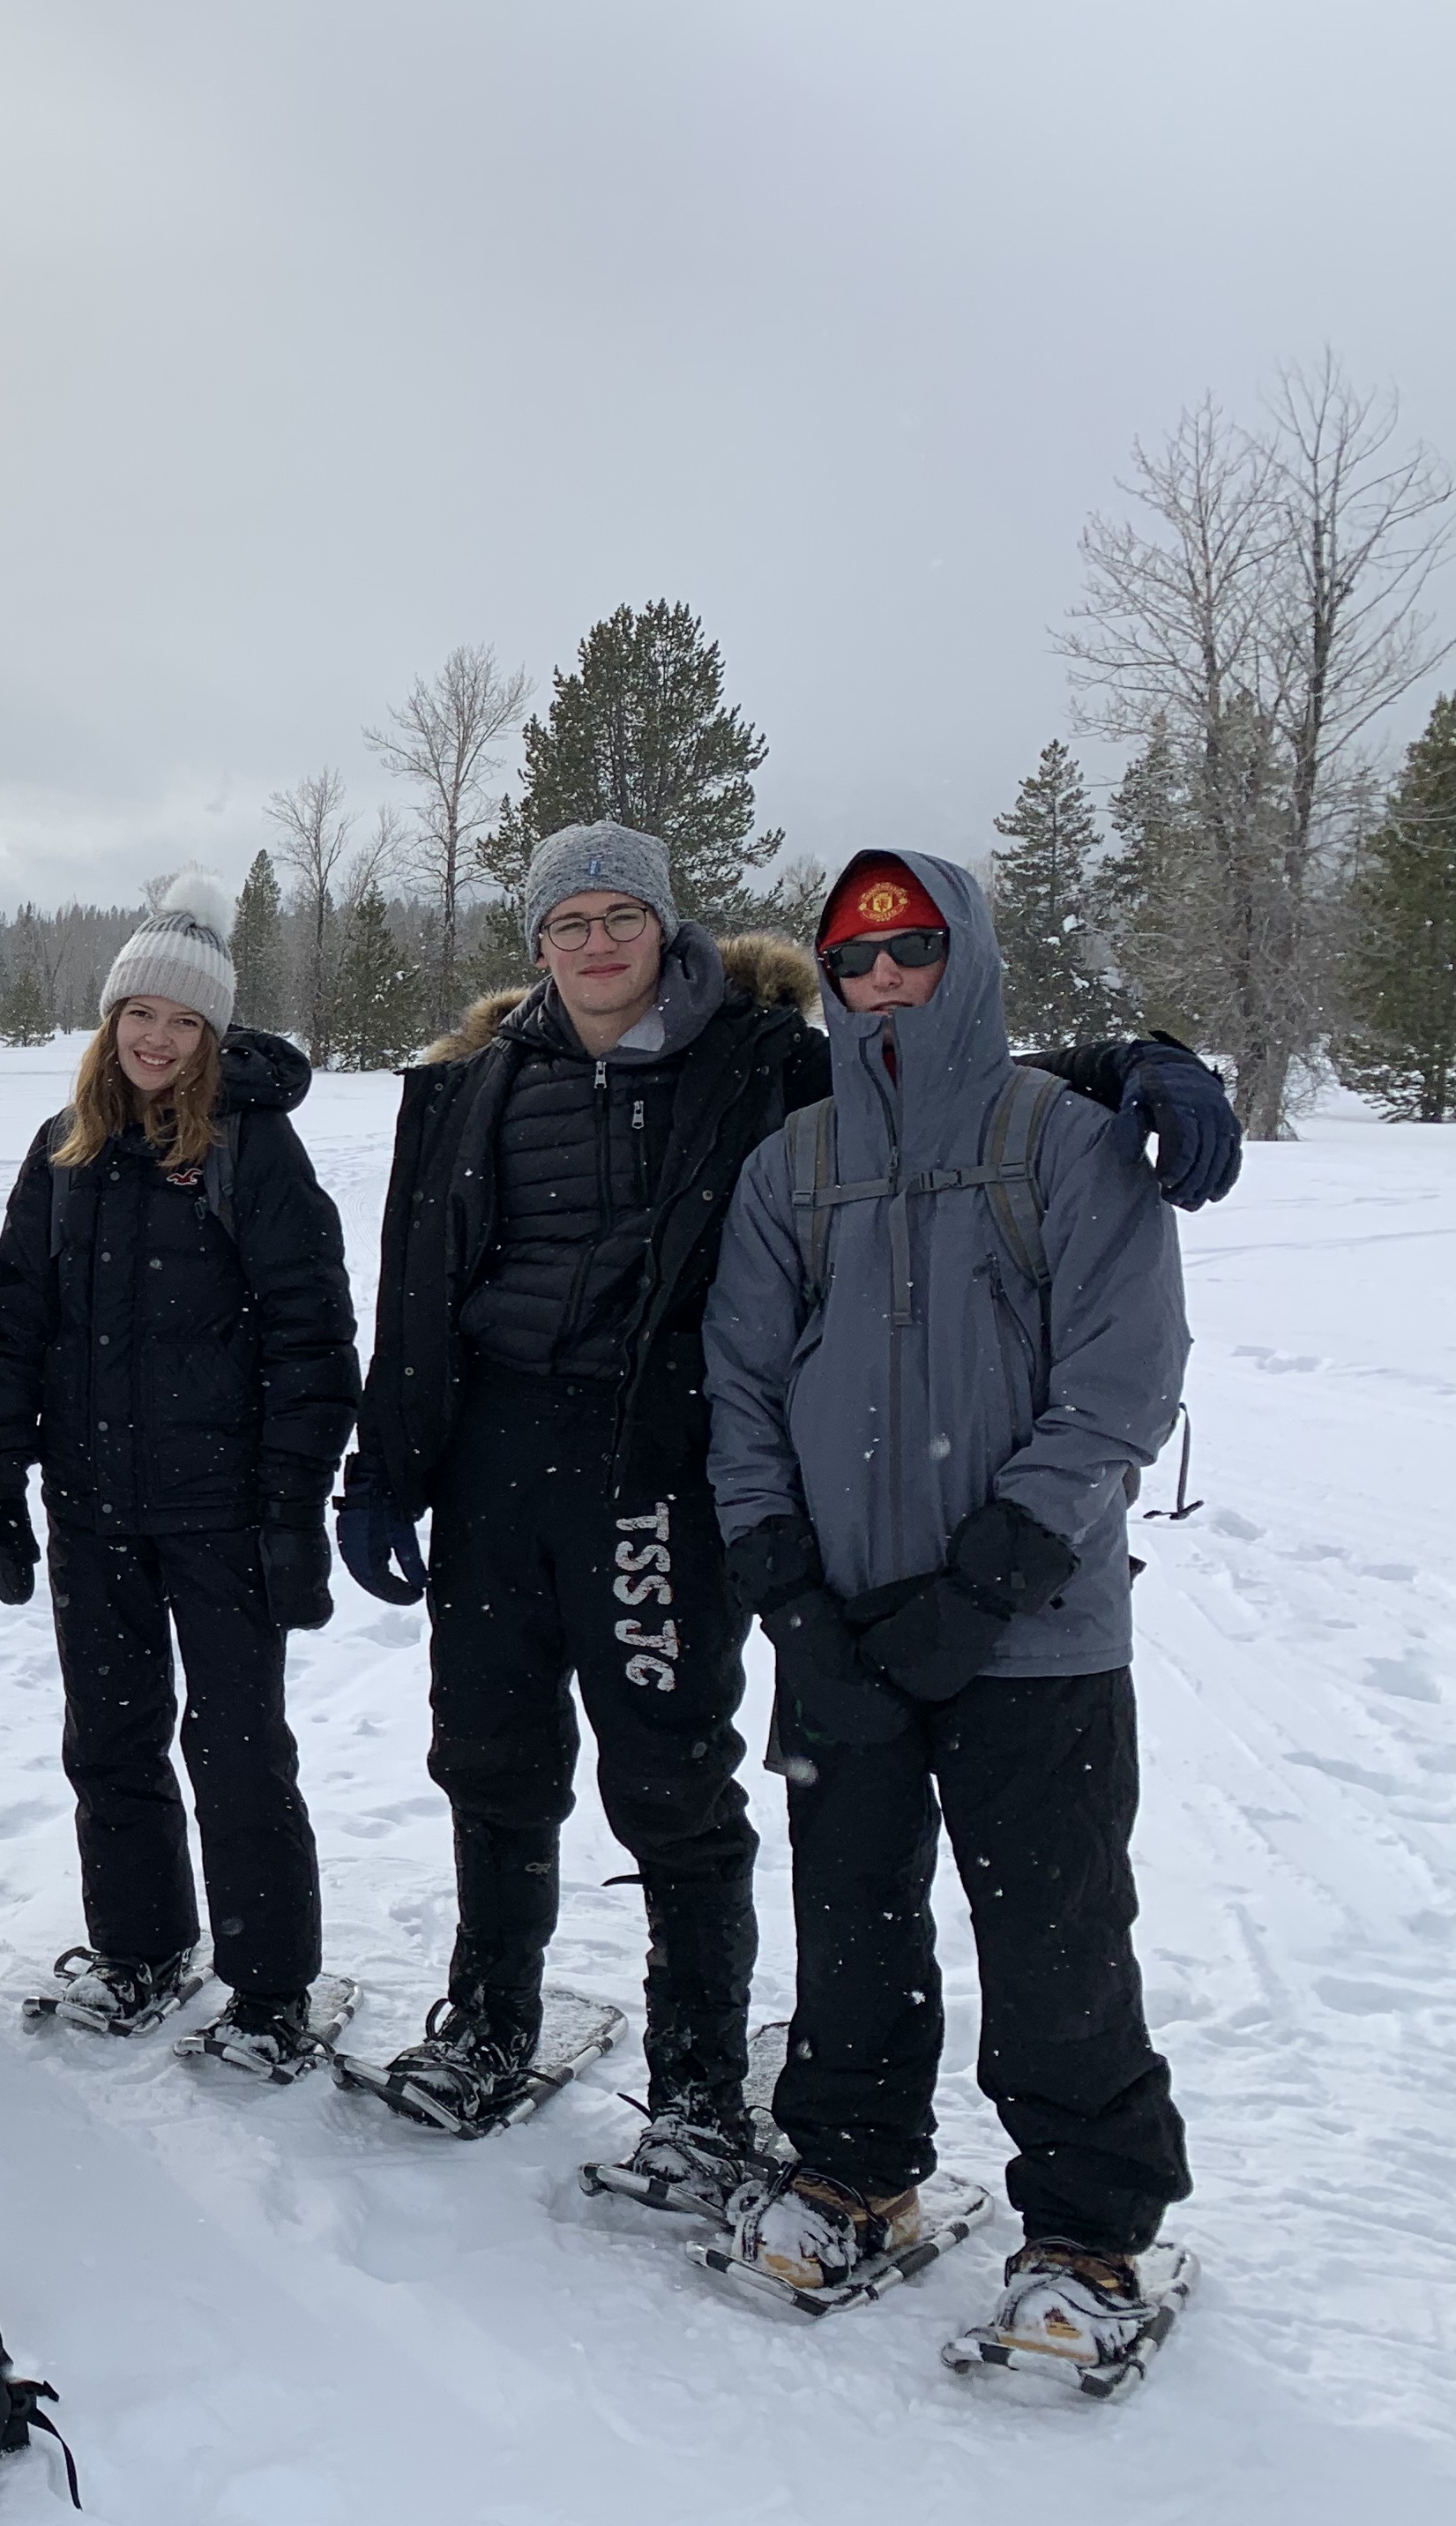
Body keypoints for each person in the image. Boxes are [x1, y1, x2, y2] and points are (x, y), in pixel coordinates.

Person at [334, 824, 1239, 2183]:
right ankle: (490, 2019)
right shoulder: (468, 1085)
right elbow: (417, 1288)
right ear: (536, 942)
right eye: (569, 921)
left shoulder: (758, 1064)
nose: (595, 943)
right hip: (491, 1462)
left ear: (665, 931)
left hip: (653, 1466)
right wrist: (383, 1467)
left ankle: (698, 2080)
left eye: (620, 918)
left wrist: (1136, 1063)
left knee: (669, 1775)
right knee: (490, 1755)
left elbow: (932, 1075)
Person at [703, 851, 1193, 2380]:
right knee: (849, 1914)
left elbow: (1118, 1379)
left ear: (960, 952)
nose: (881, 977)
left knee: (1053, 1932)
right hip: (843, 1626)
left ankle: (1088, 2226)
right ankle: (854, 2159)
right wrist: (783, 1573)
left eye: (910, 946)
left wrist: (987, 1573)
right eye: (853, 958)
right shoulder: (791, 1158)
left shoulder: (1069, 1139)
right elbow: (739, 1377)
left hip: (1030, 1631)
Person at [0, 870, 360, 2066]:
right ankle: (140, 1947)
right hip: (92, 1510)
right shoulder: (64, 1149)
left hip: (221, 1515)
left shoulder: (252, 1152)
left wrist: (293, 1506)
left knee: (238, 1750)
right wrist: (0, 1474)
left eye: (184, 1021)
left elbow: (315, 1338)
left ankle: (270, 1984)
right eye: (141, 1014)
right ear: (111, 1021)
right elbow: (20, 1321)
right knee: (112, 1740)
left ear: (212, 1033)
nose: (156, 1037)